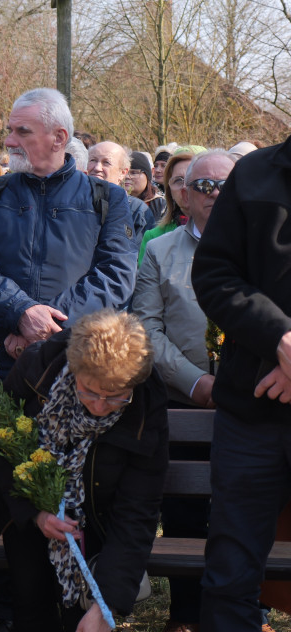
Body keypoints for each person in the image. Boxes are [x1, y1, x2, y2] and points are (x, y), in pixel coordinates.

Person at [0, 309, 168, 632]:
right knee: (32, 610)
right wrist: (36, 514)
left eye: (114, 398)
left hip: (97, 518)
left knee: (82, 620)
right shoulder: (38, 367)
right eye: (89, 391)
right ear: (74, 369)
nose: (98, 406)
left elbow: (138, 509)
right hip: (26, 509)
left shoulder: (145, 402)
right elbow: (2, 446)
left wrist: (105, 605)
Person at [132, 149, 235, 632]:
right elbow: (147, 331)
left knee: (242, 516)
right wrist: (196, 384)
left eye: (224, 186)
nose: (214, 196)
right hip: (180, 398)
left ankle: (240, 611)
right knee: (184, 513)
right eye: (203, 187)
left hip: (252, 402)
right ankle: (187, 614)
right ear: (184, 195)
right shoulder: (160, 251)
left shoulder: (264, 247)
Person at [191, 136, 291, 632]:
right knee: (230, 573)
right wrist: (281, 339)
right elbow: (213, 275)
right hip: (252, 415)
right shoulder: (253, 174)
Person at [0, 89, 136, 373]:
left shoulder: (107, 199)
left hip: (78, 362)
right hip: (1, 357)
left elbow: (115, 276)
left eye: (22, 132)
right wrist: (19, 312)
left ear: (58, 138)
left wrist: (47, 327)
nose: (9, 141)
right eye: (10, 131)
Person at [137, 147, 201, 265]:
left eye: (191, 179)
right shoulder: (154, 238)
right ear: (169, 190)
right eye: (178, 180)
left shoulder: (227, 233)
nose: (184, 187)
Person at [87, 141, 153, 247]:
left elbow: (137, 257)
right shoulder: (73, 202)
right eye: (93, 160)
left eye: (106, 163)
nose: (97, 168)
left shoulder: (137, 211)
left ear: (122, 173)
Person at [125, 151, 166, 224]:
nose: (127, 177)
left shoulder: (162, 206)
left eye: (134, 173)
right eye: (125, 172)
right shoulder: (118, 201)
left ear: (149, 175)